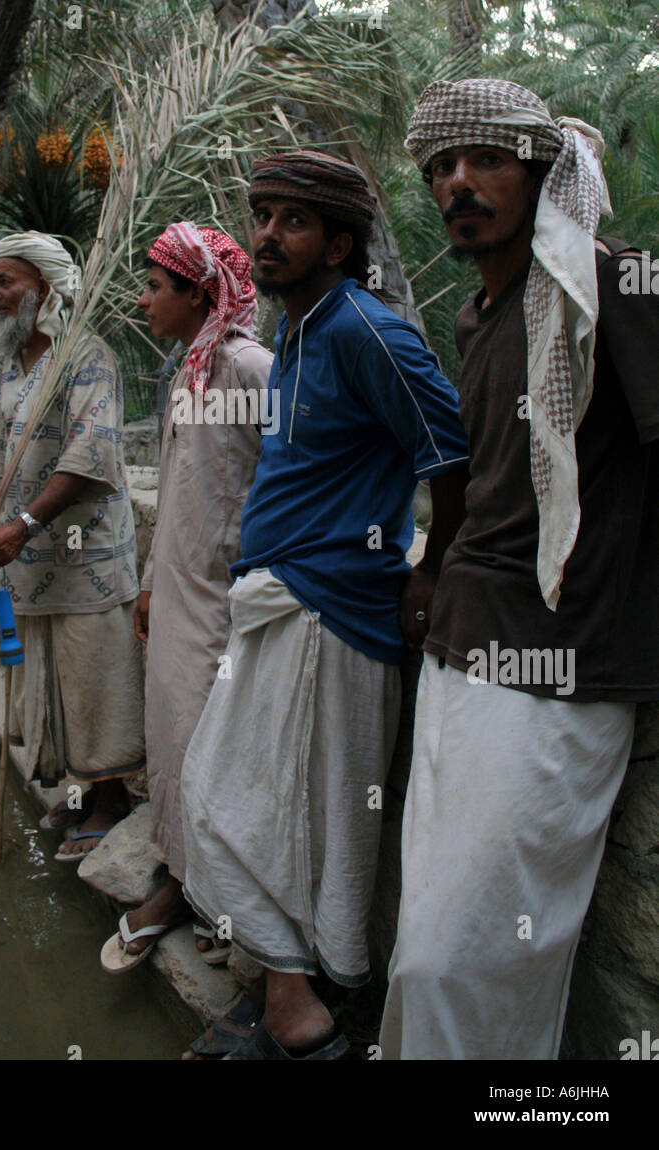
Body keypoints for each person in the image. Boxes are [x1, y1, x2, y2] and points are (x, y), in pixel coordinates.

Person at [379, 78, 659, 1060]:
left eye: (484, 160)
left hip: (559, 671)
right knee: (424, 943)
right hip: (459, 657)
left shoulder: (610, 286)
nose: (457, 182)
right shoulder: (478, 316)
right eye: (439, 169)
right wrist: (426, 572)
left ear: (538, 171)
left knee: (454, 959)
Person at [180, 150, 470, 1059]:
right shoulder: (302, 330)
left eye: (292, 221)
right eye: (261, 215)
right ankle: (289, 997)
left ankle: (298, 1011)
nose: (267, 235)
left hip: (329, 607)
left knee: (241, 803)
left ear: (340, 243)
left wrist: (430, 572)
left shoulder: (364, 329)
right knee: (263, 810)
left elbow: (448, 451)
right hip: (281, 601)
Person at [99, 222, 273, 974]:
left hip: (227, 599)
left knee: (211, 750)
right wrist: (145, 584)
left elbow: (287, 481)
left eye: (154, 287)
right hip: (174, 592)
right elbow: (176, 492)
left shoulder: (247, 368)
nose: (143, 302)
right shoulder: (191, 372)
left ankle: (202, 895)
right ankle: (186, 884)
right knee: (173, 741)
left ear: (200, 293)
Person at [0, 231, 144, 857]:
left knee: (92, 669)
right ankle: (78, 795)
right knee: (48, 670)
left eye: (5, 281)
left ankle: (112, 798)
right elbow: (12, 450)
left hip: (81, 550)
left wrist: (26, 526)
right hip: (28, 553)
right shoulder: (11, 365)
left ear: (43, 288)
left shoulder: (85, 355)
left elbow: (89, 454)